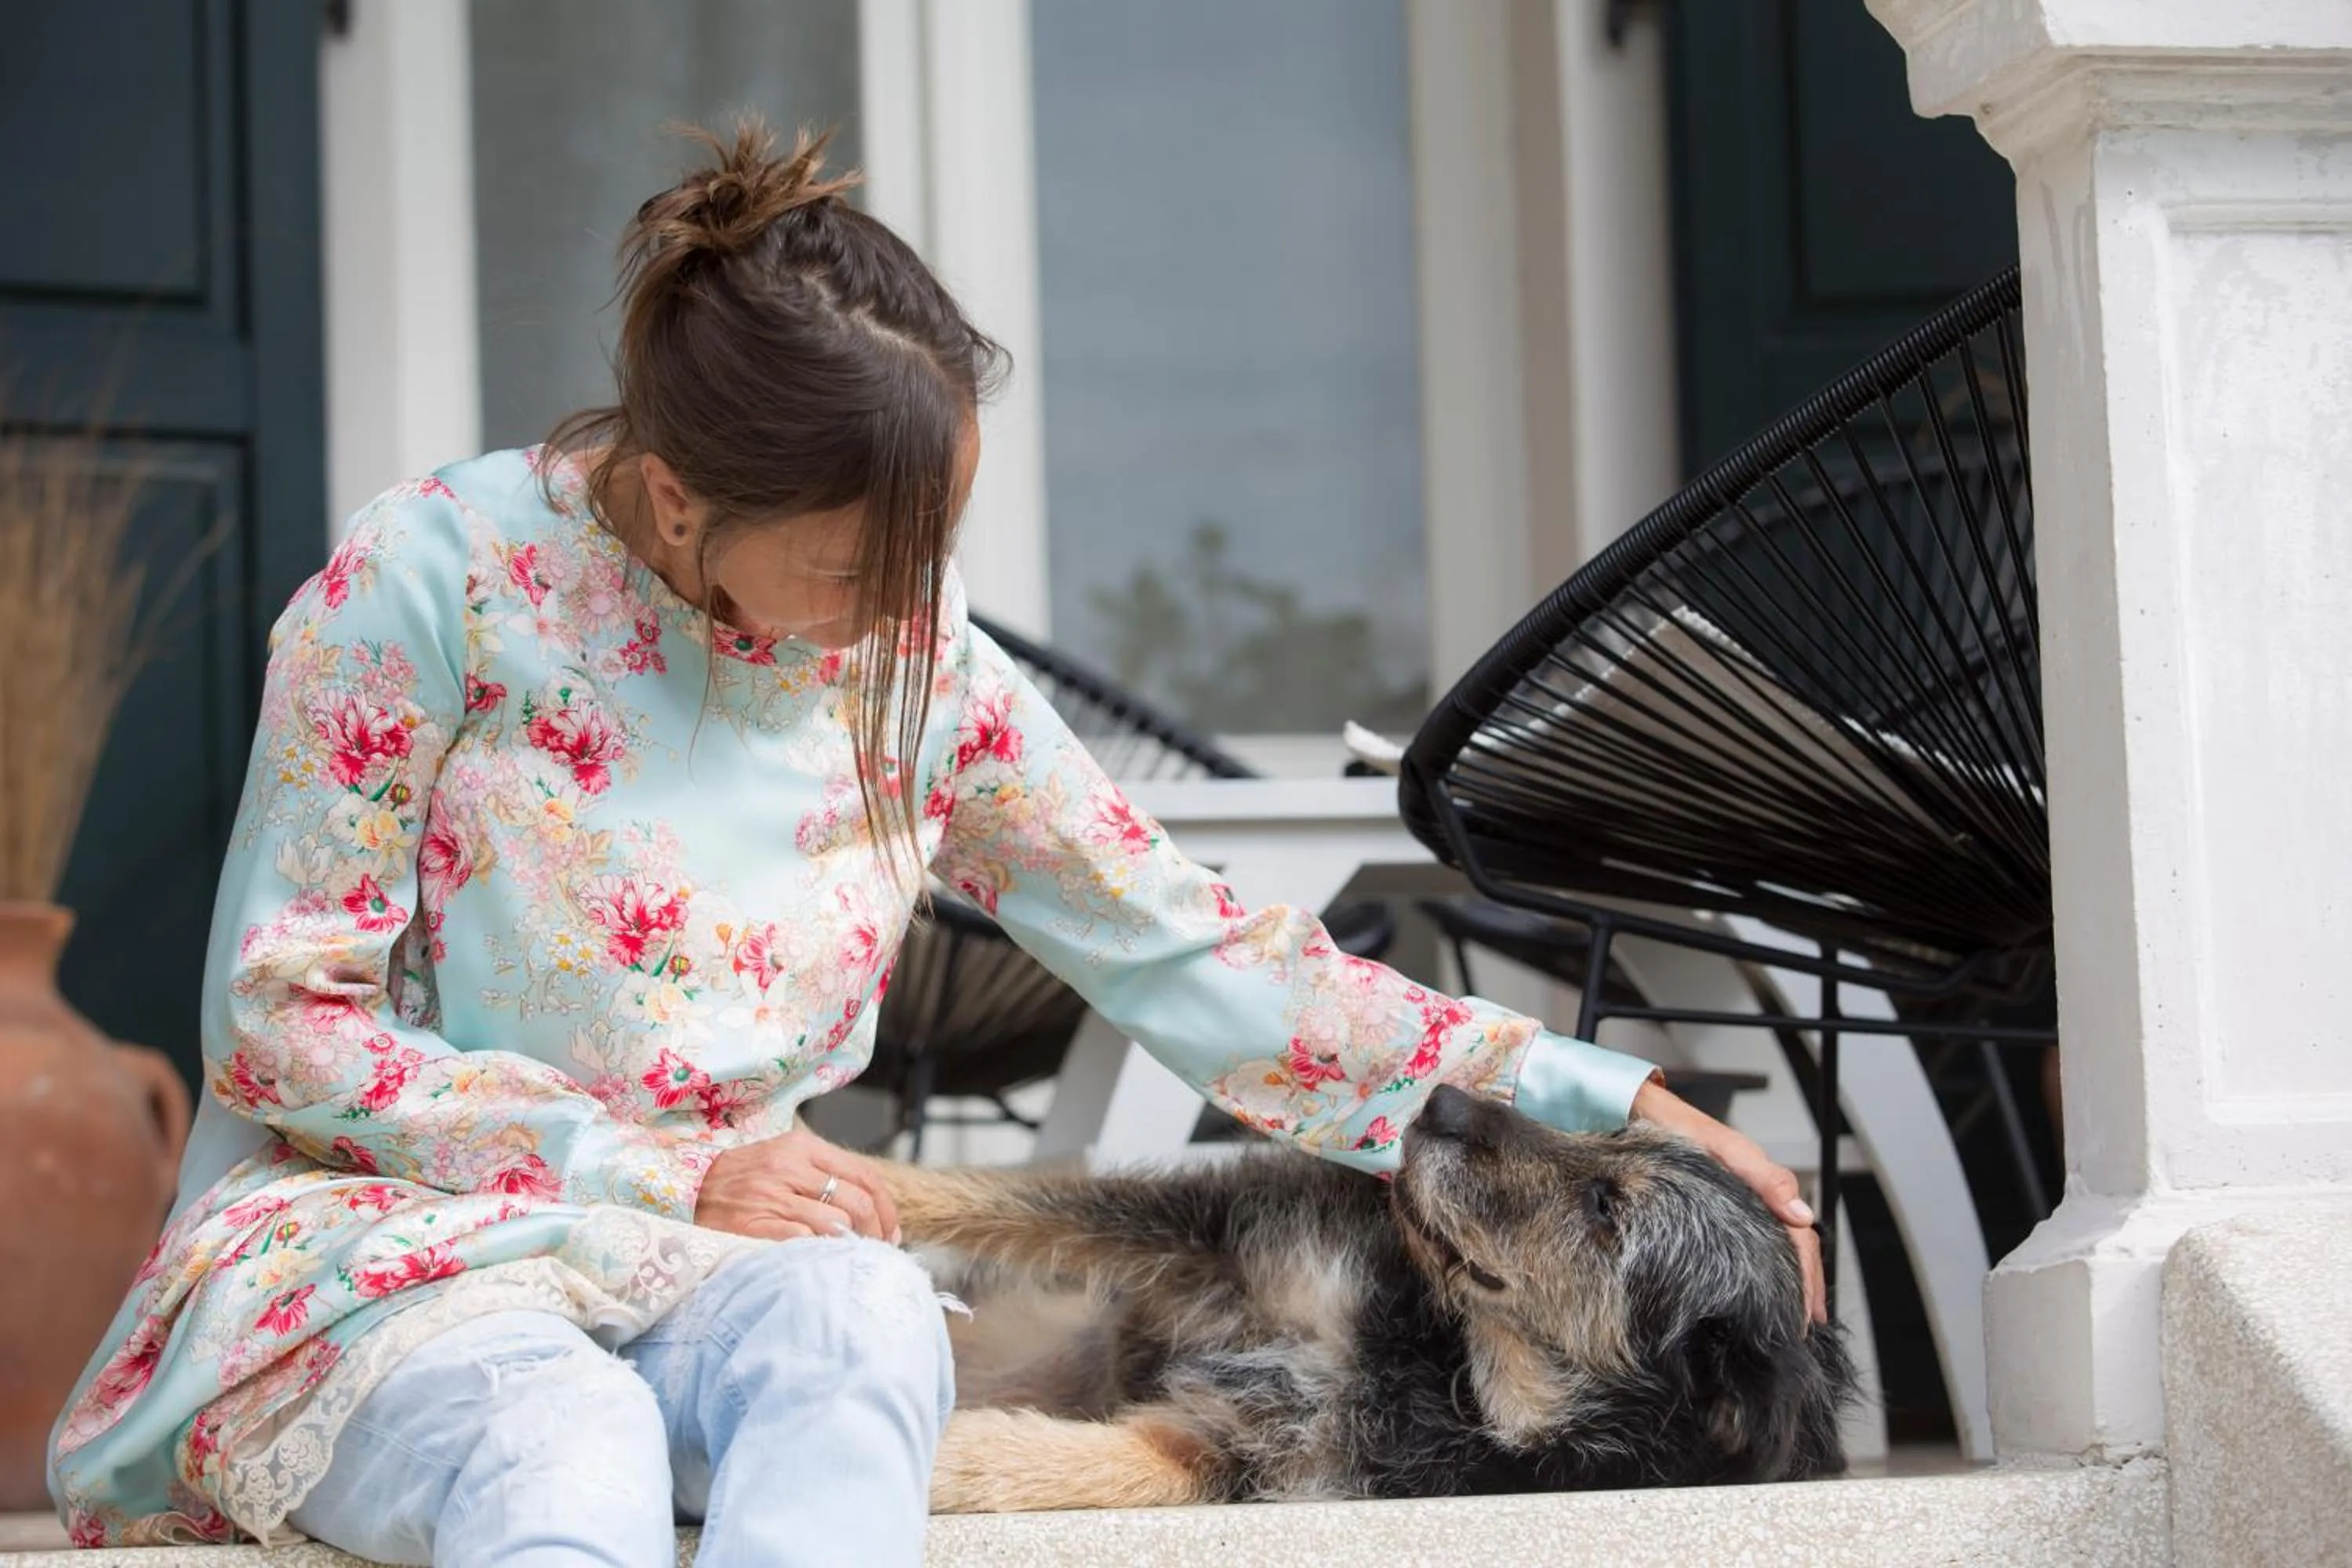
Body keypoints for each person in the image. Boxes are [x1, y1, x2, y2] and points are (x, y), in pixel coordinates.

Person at [48, 120, 1822, 1566]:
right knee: (564, 1440)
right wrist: (664, 1170)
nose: (911, 609)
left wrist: (1600, 1098)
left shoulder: (914, 666)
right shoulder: (429, 588)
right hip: (401, 1256)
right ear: (677, 501)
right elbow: (283, 1025)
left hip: (718, 1272)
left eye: (936, 544)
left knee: (866, 1332)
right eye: (858, 564)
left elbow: (1195, 953)